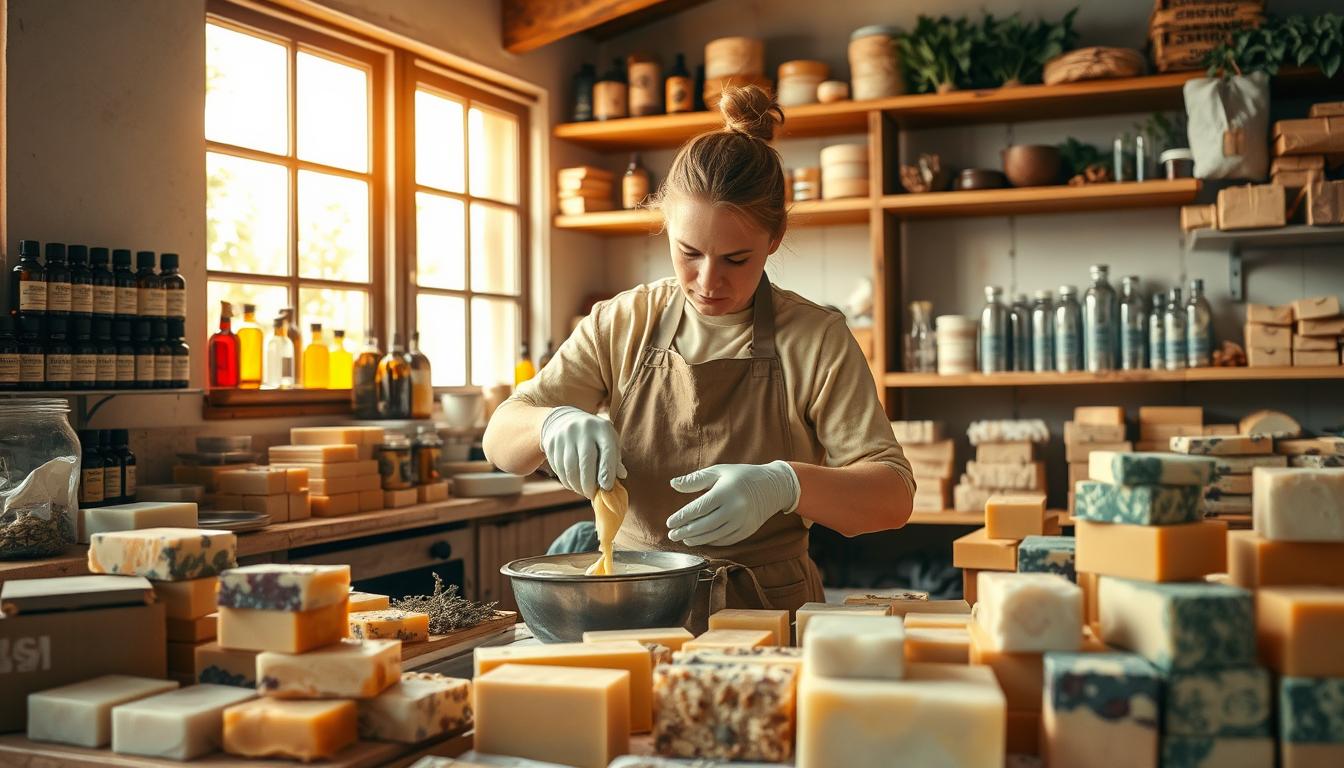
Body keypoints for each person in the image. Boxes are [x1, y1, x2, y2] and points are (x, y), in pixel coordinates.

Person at [483, 85, 915, 619]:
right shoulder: (622, 321)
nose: (708, 282)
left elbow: (893, 497)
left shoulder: (815, 338)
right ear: (666, 224)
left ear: (774, 237)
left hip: (765, 611)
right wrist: (550, 423)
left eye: (736, 259)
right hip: (633, 602)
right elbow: (500, 439)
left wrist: (784, 485)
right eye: (689, 252)